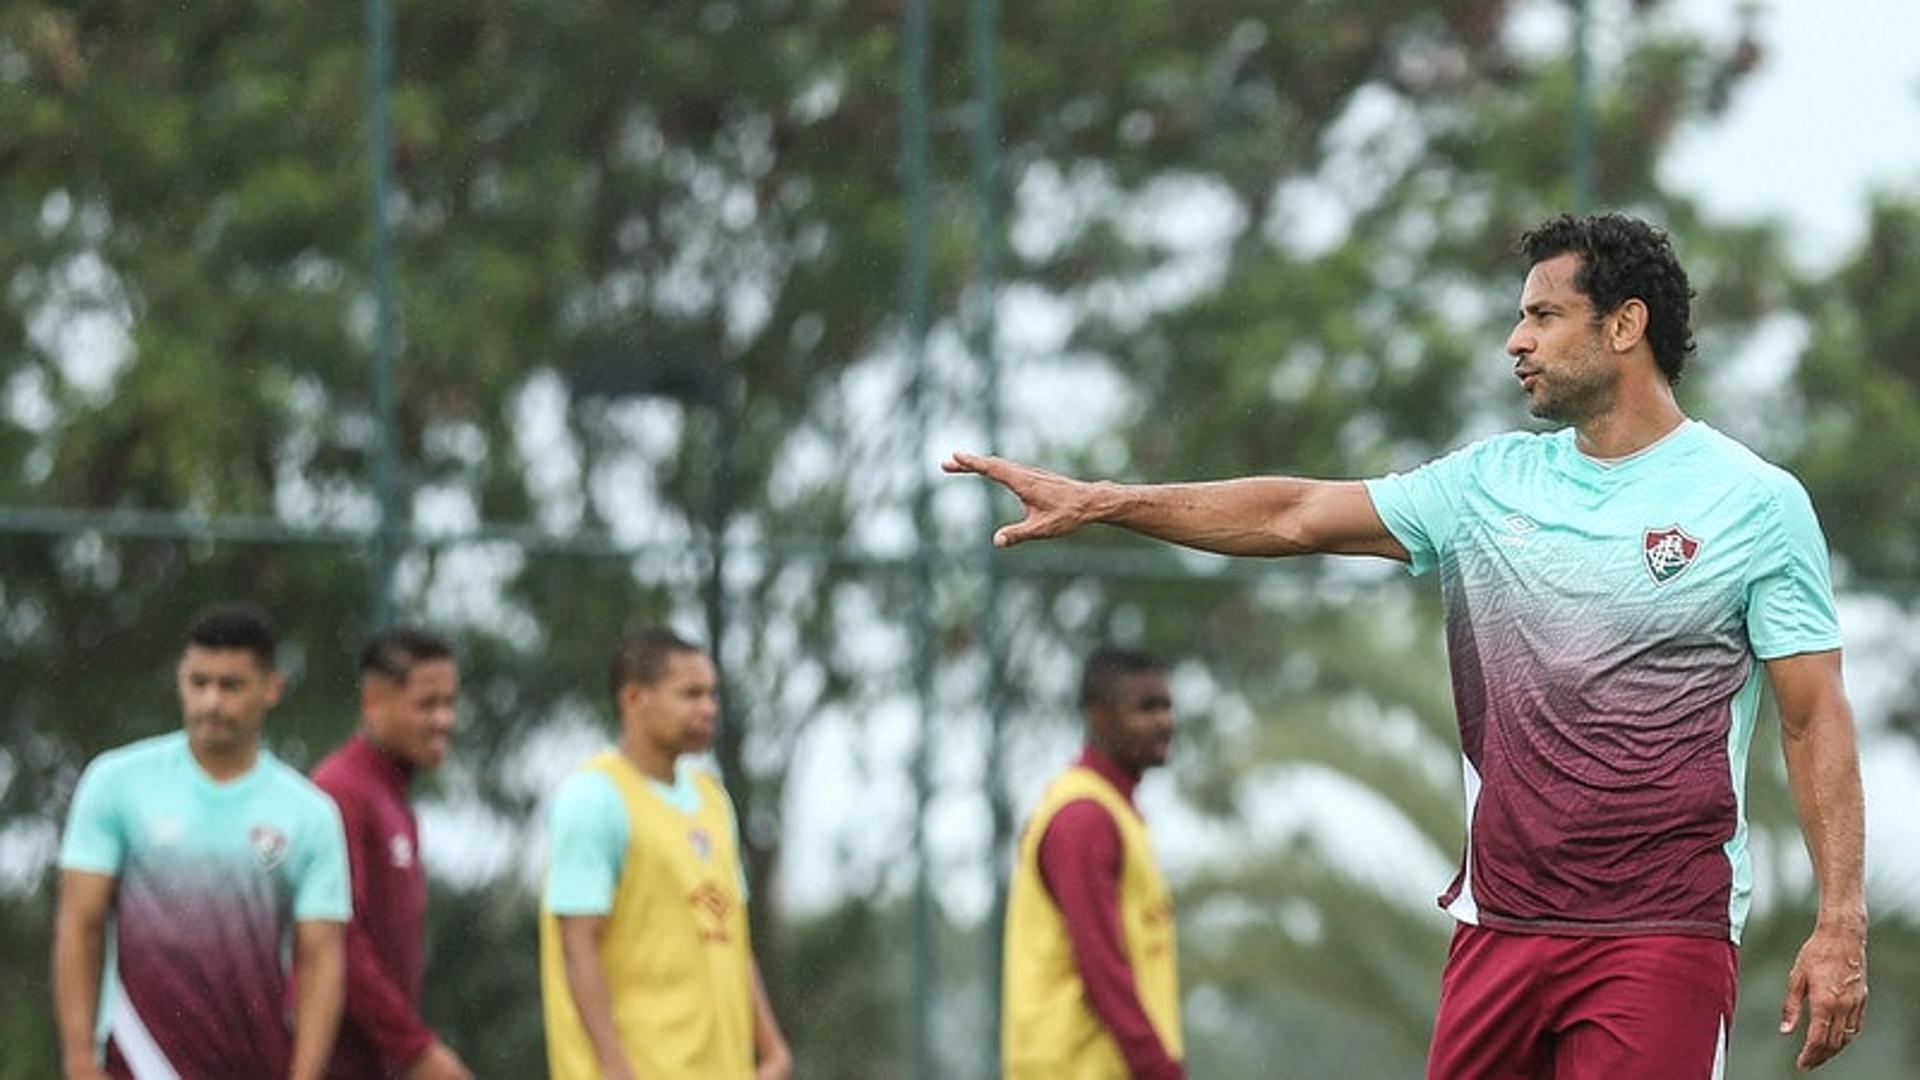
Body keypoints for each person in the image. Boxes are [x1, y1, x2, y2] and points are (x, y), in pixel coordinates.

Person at [947, 212, 1869, 1078]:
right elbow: (1298, 513)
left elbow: (1812, 717)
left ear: (1626, 326)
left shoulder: (1754, 502)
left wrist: (1841, 922)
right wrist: (1109, 501)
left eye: (1544, 316)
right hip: (1499, 930)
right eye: (1520, 318)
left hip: (1659, 931)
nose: (1517, 341)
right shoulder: (1486, 485)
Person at [52, 602, 351, 1080]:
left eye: (231, 685)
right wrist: (78, 1058)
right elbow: (79, 925)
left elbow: (321, 960)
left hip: (256, 1063)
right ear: (180, 680)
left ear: (272, 688)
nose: (211, 701)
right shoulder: (115, 783)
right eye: (199, 682)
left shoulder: (309, 814)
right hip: (135, 1062)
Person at [539, 627, 793, 1080]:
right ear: (635, 700)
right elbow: (577, 946)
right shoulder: (595, 798)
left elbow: (730, 938)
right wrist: (614, 1067)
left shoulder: (712, 799)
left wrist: (772, 1049)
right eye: (691, 694)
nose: (709, 708)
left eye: (713, 694)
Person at [1003, 646, 1185, 1080]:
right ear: (1098, 717)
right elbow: (1101, 965)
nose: (1164, 721)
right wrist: (1159, 1069)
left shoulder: (1113, 812)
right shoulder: (1084, 818)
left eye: (1166, 706)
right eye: (1145, 708)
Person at [311, 629, 473, 1080]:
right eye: (427, 704)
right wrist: (418, 1051)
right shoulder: (342, 791)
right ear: (374, 703)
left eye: (450, 703)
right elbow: (338, 937)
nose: (444, 719)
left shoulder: (392, 795)